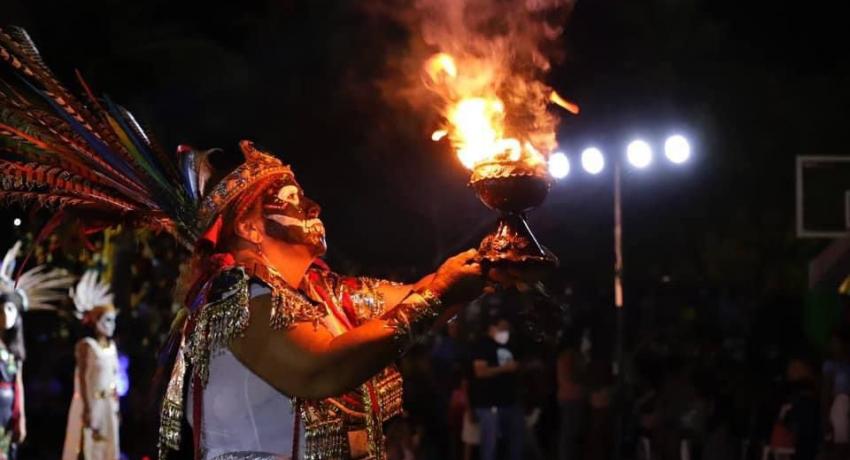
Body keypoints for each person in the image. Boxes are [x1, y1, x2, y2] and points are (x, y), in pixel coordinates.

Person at [0, 27, 493, 459]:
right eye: (293, 199)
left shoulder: (323, 296)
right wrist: (441, 293)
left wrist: (493, 262)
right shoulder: (236, 298)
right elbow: (319, 370)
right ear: (251, 229)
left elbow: (424, 292)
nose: (314, 207)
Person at [0, 242, 73, 459]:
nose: (5, 315)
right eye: (1, 309)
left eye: (10, 309)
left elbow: (18, 384)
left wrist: (20, 417)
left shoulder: (14, 350)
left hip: (7, 411)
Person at [62, 270, 121, 460]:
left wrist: (116, 404)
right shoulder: (87, 346)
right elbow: (81, 378)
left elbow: (114, 377)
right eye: (107, 320)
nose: (111, 325)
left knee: (107, 448)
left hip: (108, 406)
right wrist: (87, 408)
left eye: (113, 321)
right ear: (96, 321)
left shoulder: (112, 348)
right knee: (87, 447)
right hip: (91, 403)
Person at [468, 316, 523, 460]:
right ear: (492, 328)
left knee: (515, 441)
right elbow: (480, 371)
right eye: (503, 328)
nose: (506, 332)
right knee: (490, 444)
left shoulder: (509, 345)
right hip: (489, 403)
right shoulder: (482, 345)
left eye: (508, 329)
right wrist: (504, 368)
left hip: (509, 401)